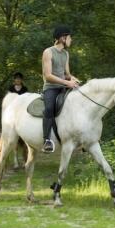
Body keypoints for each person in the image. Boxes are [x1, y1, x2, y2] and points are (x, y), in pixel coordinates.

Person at [41, 25, 80, 153]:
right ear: (63, 38)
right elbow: (48, 76)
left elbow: (67, 74)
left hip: (63, 86)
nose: (71, 39)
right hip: (51, 88)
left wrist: (73, 79)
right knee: (49, 108)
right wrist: (66, 82)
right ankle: (46, 140)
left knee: (79, 102)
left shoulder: (66, 54)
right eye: (69, 37)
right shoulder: (48, 52)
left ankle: (81, 137)